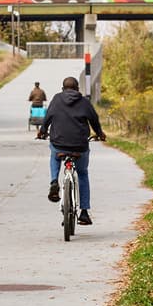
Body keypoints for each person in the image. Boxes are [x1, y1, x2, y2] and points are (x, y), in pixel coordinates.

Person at [36, 75, 105, 225]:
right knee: (82, 174)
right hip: (80, 146)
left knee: (54, 155)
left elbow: (47, 118)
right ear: (77, 89)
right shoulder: (84, 102)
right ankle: (84, 212)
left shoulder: (56, 99)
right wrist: (100, 134)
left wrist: (42, 131)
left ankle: (54, 181)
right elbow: (94, 120)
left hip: (59, 144)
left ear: (63, 88)